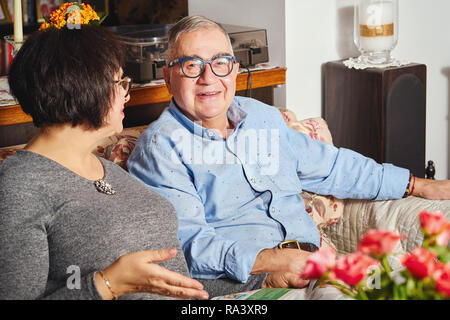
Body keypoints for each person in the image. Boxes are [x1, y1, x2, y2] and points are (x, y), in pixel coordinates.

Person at [127, 15, 450, 298]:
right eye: (192, 65)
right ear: (168, 77)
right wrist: (270, 263)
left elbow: (334, 167)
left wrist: (416, 184)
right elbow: (189, 244)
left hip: (317, 269)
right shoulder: (161, 147)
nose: (208, 77)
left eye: (220, 62)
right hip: (252, 283)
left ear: (235, 70)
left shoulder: (261, 117)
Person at [0, 24, 209, 300]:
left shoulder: (108, 170)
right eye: (120, 82)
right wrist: (107, 283)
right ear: (82, 86)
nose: (127, 94)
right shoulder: (20, 186)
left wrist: (265, 281)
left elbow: (177, 284)